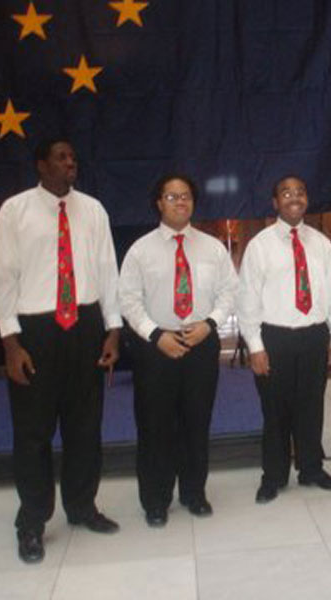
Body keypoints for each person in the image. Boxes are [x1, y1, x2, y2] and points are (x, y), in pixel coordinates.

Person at [0, 138, 122, 564]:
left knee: (85, 426)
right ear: (41, 164)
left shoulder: (94, 210)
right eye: (62, 158)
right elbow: (3, 278)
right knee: (33, 433)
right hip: (37, 329)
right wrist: (11, 342)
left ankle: (82, 507)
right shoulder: (15, 211)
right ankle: (31, 520)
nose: (71, 164)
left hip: (84, 325)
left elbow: (107, 272)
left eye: (74, 158)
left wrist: (112, 331)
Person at [119, 175, 237, 526]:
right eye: (172, 196)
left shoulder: (213, 247)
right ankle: (155, 500)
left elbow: (230, 291)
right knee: (155, 427)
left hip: (201, 342)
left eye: (185, 196)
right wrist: (155, 335)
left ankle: (194, 493)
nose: (180, 202)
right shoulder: (140, 250)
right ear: (159, 203)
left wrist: (210, 324)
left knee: (196, 423)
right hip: (156, 348)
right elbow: (128, 299)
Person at [238, 175, 331, 503]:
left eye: (300, 192)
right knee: (275, 411)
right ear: (275, 202)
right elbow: (247, 299)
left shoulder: (321, 243)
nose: (294, 197)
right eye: (286, 193)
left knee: (311, 408)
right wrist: (255, 346)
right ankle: (273, 476)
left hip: (314, 336)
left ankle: (312, 469)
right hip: (275, 338)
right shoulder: (260, 245)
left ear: (307, 199)